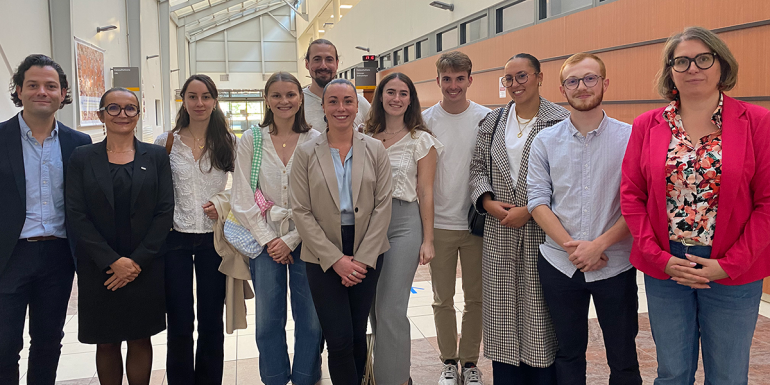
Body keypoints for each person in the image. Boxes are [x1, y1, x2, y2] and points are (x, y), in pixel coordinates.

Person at [621, 26, 770, 384]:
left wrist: (728, 265)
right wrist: (660, 258)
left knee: (728, 376)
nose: (693, 68)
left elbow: (767, 202)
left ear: (721, 65)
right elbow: (631, 196)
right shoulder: (647, 125)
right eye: (682, 61)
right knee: (672, 373)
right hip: (667, 266)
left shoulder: (757, 122)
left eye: (703, 59)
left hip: (733, 268)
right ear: (670, 71)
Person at [527, 53, 641, 385]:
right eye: (573, 81)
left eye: (590, 78)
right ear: (562, 89)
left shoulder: (631, 137)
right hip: (560, 264)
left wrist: (599, 246)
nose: (582, 87)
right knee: (568, 354)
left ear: (605, 83)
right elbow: (537, 202)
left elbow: (638, 204)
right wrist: (574, 248)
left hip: (615, 264)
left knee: (623, 357)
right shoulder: (545, 140)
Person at [469, 53, 569, 384]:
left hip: (542, 230)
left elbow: (567, 178)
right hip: (499, 229)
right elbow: (477, 168)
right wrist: (487, 202)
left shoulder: (560, 120)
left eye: (522, 76)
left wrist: (531, 209)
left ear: (540, 77)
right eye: (509, 79)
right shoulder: (493, 121)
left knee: (539, 314)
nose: (515, 84)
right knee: (502, 315)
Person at [66, 87, 173, 384]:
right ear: (101, 115)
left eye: (130, 108)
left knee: (140, 337)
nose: (122, 114)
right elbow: (76, 213)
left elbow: (165, 211)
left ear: (139, 114)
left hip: (145, 264)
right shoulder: (82, 157)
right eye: (113, 108)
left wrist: (135, 262)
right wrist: (112, 261)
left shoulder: (156, 156)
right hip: (99, 265)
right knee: (106, 341)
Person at [290, 78, 392, 384]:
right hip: (322, 253)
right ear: (322, 107)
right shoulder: (306, 153)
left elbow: (383, 206)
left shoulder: (375, 149)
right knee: (338, 338)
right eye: (333, 101)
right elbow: (301, 210)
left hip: (367, 249)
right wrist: (335, 260)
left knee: (357, 333)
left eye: (348, 101)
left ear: (357, 107)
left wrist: (362, 258)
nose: (341, 108)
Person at [0, 54, 92, 385]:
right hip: (9, 256)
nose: (42, 92)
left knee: (48, 342)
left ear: (63, 93)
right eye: (33, 85)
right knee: (4, 345)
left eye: (51, 86)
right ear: (19, 90)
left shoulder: (79, 144)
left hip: (58, 255)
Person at [230, 71, 323, 385]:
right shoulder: (251, 139)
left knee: (310, 319)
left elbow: (322, 198)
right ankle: (274, 378)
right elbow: (242, 196)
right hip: (264, 241)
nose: (284, 101)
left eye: (290, 94)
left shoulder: (315, 139)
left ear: (300, 98)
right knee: (268, 320)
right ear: (267, 100)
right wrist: (270, 240)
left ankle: (306, 377)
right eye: (277, 95)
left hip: (308, 240)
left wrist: (292, 238)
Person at [154, 74, 236, 384]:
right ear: (184, 100)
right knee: (179, 320)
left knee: (211, 320)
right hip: (174, 238)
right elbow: (154, 190)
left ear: (214, 101)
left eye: (205, 96)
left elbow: (247, 188)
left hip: (214, 240)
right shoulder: (166, 141)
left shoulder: (229, 142)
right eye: (192, 96)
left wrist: (223, 202)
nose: (199, 103)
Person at [364, 72, 442, 385]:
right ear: (380, 96)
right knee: (372, 308)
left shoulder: (421, 140)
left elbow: (426, 191)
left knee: (391, 308)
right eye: (391, 92)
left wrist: (428, 239)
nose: (396, 98)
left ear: (411, 100)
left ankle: (393, 381)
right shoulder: (364, 135)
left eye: (403, 93)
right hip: (367, 225)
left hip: (404, 224)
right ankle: (386, 373)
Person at [421, 51, 490, 385]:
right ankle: (449, 361)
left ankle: (471, 362)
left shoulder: (486, 118)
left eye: (459, 78)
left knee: (476, 298)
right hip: (439, 225)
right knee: (442, 299)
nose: (453, 85)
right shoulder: (424, 120)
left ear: (469, 80)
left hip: (476, 223)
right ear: (438, 81)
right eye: (446, 79)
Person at [303, 39, 370, 131]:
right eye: (317, 59)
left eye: (329, 60)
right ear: (307, 64)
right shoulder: (297, 104)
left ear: (337, 64)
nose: (323, 66)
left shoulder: (360, 103)